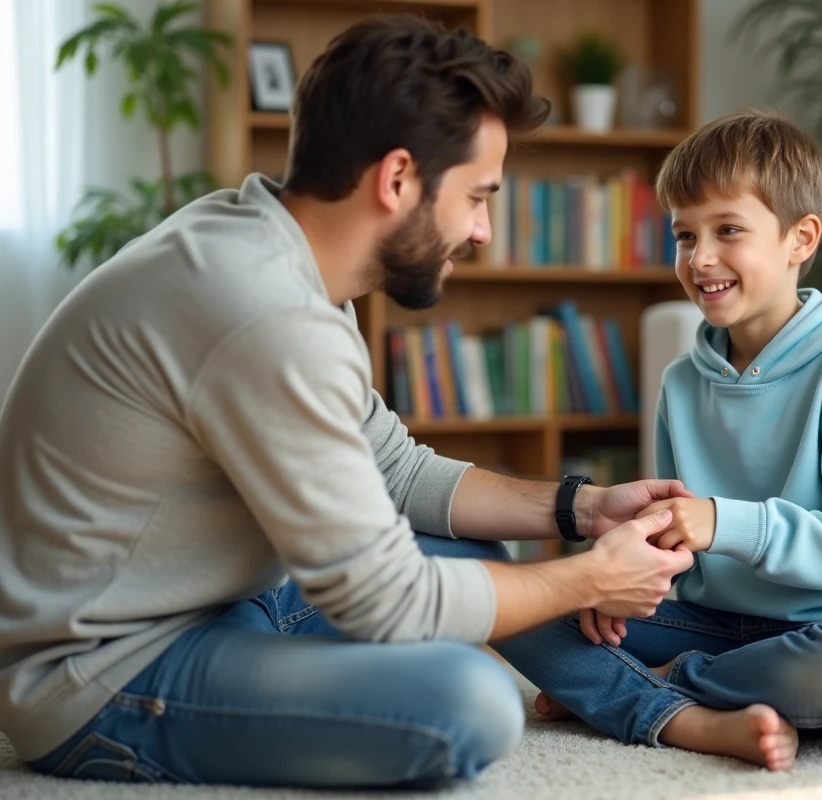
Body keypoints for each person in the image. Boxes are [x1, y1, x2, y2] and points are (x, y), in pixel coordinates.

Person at [0, 16, 696, 789]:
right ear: (397, 179)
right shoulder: (263, 310)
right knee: (469, 702)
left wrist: (583, 509)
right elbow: (384, 602)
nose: (481, 231)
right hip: (103, 675)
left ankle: (655, 708)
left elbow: (395, 473)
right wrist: (588, 579)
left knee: (462, 548)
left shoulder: (287, 259)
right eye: (476, 196)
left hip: (228, 601)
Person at [496, 111, 822, 771]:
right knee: (524, 606)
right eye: (684, 235)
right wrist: (616, 579)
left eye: (728, 230)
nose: (700, 258)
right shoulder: (681, 382)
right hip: (712, 625)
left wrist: (728, 523)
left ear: (800, 238)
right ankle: (673, 689)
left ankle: (649, 687)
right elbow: (678, 535)